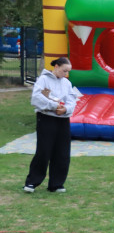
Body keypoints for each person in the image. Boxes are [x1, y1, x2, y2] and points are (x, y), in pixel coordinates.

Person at [24, 57, 79, 193]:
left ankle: (56, 184)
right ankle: (32, 182)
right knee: (44, 150)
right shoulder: (43, 79)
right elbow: (36, 98)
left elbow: (72, 99)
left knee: (62, 152)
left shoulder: (66, 83)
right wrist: (55, 105)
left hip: (62, 120)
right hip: (46, 118)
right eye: (64, 70)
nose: (65, 74)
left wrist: (66, 109)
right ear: (56, 66)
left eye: (67, 72)